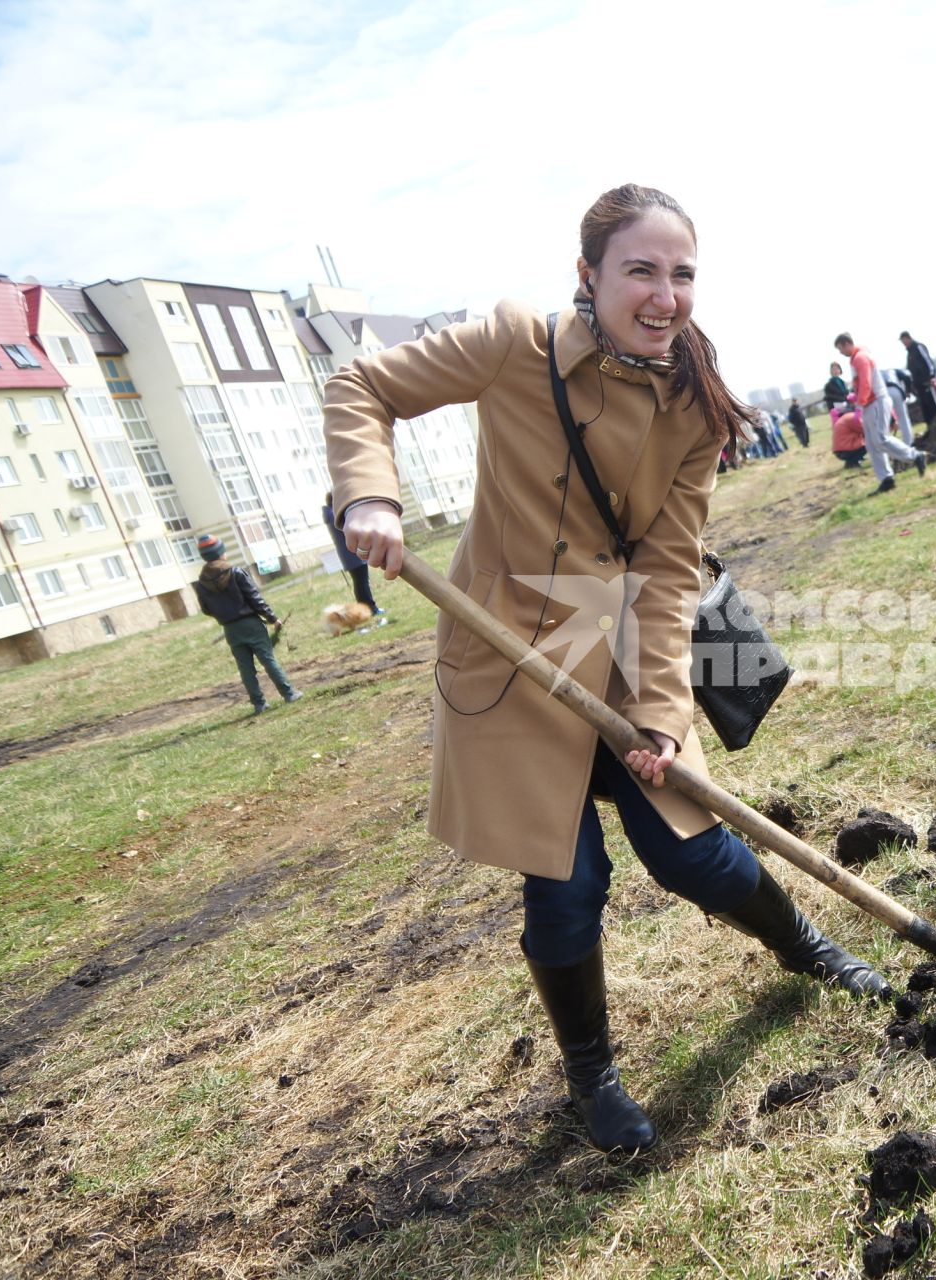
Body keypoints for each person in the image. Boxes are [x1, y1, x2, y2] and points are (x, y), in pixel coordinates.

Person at [325, 184, 890, 1156]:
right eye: (641, 269)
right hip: (506, 657)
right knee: (565, 880)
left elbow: (670, 568)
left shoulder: (690, 408)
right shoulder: (513, 343)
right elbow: (360, 389)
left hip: (626, 656)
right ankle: (591, 1073)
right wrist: (368, 498)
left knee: (692, 851)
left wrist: (665, 712)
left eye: (681, 273)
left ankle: (806, 946)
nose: (665, 293)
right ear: (586, 275)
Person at [192, 533, 301, 714]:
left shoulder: (201, 583)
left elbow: (205, 609)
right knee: (268, 659)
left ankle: (259, 704)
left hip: (230, 629)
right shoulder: (234, 572)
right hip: (250, 623)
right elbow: (254, 598)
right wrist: (272, 618)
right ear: (221, 552)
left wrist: (224, 616)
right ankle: (289, 693)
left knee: (245, 668)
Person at [834, 332, 927, 495]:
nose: (840, 352)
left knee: (881, 438)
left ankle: (915, 456)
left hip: (875, 402)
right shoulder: (857, 358)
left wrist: (860, 405)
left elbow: (866, 383)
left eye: (840, 348)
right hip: (870, 403)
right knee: (871, 444)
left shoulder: (860, 358)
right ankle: (886, 479)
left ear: (846, 343)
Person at [321, 490, 382, 615]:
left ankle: (364, 609)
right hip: (353, 553)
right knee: (362, 582)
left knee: (359, 582)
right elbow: (352, 528)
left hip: (348, 555)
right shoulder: (336, 515)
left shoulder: (331, 514)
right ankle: (371, 608)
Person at [898, 332, 936, 427]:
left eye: (903, 341)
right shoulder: (909, 353)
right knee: (925, 407)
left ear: (907, 338)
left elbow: (929, 362)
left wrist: (931, 377)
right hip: (918, 385)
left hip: (927, 382)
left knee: (934, 404)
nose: (903, 343)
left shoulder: (918, 347)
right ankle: (930, 427)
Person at [830, 399, 868, 467]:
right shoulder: (853, 418)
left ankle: (851, 462)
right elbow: (866, 431)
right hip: (844, 450)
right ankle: (852, 461)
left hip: (839, 450)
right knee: (869, 442)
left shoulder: (846, 417)